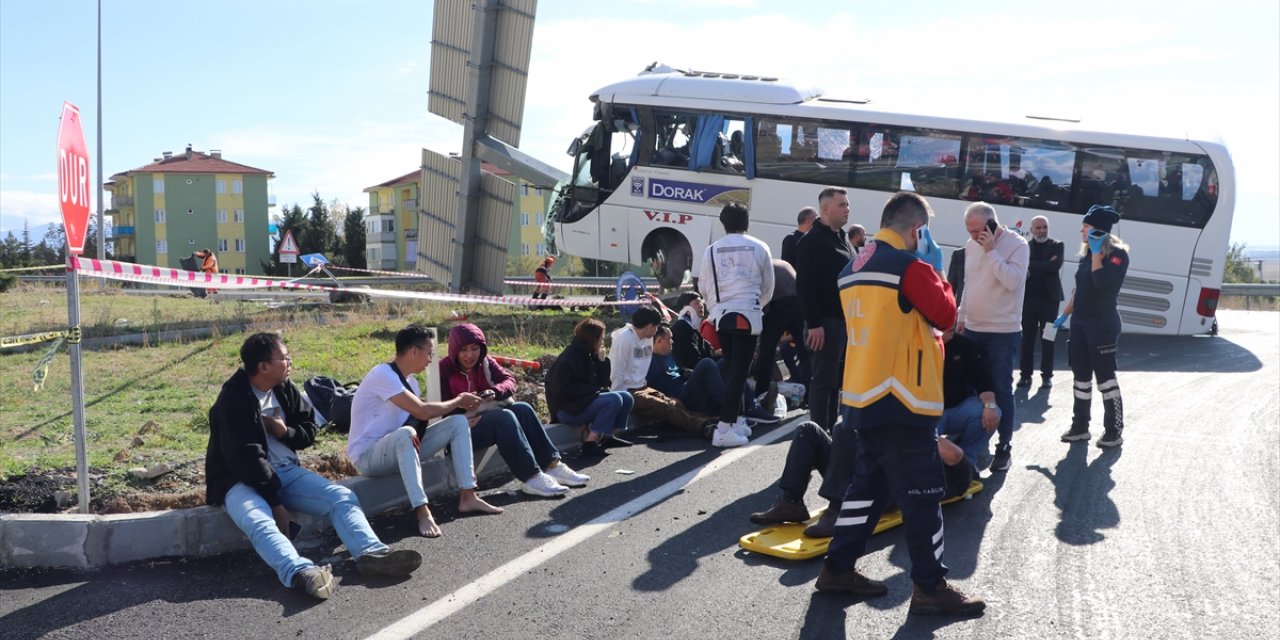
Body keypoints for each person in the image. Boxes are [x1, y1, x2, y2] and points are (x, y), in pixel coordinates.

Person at [815, 192, 985, 617]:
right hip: (903, 396)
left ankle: (837, 568)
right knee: (924, 494)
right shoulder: (910, 267)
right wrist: (937, 269)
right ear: (917, 231)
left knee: (868, 487)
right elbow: (945, 317)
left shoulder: (851, 266)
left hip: (863, 394)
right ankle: (930, 587)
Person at [206, 332, 421, 600]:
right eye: (284, 358)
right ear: (263, 367)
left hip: (283, 471)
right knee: (259, 520)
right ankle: (301, 573)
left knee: (341, 496)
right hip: (239, 479)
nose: (290, 361)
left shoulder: (283, 387)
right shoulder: (233, 400)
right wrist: (276, 503)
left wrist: (284, 432)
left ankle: (371, 554)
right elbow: (246, 458)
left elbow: (308, 431)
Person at [348, 325, 503, 539]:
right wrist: (459, 400)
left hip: (396, 450)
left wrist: (461, 409)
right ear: (414, 351)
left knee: (458, 422)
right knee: (407, 434)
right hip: (368, 457)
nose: (431, 359)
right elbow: (422, 411)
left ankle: (468, 495)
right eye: (429, 353)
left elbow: (421, 419)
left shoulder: (411, 383)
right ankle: (422, 511)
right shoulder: (382, 374)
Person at [439, 323, 590, 497]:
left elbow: (509, 380)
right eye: (463, 350)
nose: (470, 355)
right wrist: (460, 417)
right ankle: (532, 477)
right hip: (459, 429)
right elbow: (440, 406)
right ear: (454, 350)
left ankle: (553, 466)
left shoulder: (485, 362)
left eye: (475, 348)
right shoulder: (443, 369)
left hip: (483, 418)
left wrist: (495, 392)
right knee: (504, 418)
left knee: (523, 409)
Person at [956, 202, 1028, 472]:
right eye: (970, 230)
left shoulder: (1018, 245)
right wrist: (961, 316)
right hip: (973, 328)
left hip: (1002, 331)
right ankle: (976, 444)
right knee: (972, 389)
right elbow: (969, 284)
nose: (974, 236)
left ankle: (1004, 447)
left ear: (992, 224)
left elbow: (1012, 282)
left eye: (978, 230)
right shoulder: (970, 245)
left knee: (1000, 390)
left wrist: (991, 251)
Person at [698, 202, 776, 447]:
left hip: (721, 315)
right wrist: (755, 305)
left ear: (723, 223)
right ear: (747, 222)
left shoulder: (711, 250)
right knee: (740, 371)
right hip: (748, 315)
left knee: (733, 368)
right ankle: (724, 428)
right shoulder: (760, 247)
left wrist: (716, 307)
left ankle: (738, 420)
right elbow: (768, 288)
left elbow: (703, 286)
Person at [1058, 205, 1129, 448]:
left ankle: (1114, 430)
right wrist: (1063, 315)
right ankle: (1080, 427)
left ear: (1099, 231)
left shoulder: (1118, 255)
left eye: (1086, 227)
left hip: (1103, 323)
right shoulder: (1086, 254)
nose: (1081, 231)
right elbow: (1080, 289)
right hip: (1080, 322)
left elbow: (1100, 284)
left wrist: (1098, 255)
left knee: (1106, 380)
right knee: (1080, 378)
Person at [609, 306, 717, 442]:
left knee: (675, 403)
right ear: (649, 326)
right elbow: (616, 371)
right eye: (656, 327)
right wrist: (618, 400)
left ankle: (709, 420)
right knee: (662, 406)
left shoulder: (647, 339)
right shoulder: (624, 339)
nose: (656, 331)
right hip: (626, 391)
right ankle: (702, 426)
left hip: (642, 387)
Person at [795, 187, 854, 432]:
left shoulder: (842, 237)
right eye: (842, 205)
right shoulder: (812, 240)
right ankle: (818, 436)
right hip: (824, 322)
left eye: (847, 204)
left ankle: (830, 432)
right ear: (826, 209)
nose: (847, 209)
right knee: (822, 381)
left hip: (843, 321)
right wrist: (815, 323)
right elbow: (805, 285)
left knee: (833, 382)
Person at [545, 318, 635, 456]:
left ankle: (607, 436)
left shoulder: (590, 354)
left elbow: (604, 384)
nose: (602, 342)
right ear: (592, 339)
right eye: (600, 339)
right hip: (567, 410)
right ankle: (590, 442)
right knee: (614, 399)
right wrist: (593, 391)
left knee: (626, 397)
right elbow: (562, 390)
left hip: (582, 403)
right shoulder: (569, 358)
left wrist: (602, 362)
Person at [1018, 216, 1065, 388]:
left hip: (1050, 301)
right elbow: (1023, 267)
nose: (1041, 230)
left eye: (1044, 227)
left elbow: (1055, 266)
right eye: (1038, 228)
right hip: (1028, 300)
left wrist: (1032, 265)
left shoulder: (1057, 245)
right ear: (1031, 230)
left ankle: (1047, 376)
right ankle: (1025, 376)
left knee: (1049, 338)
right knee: (1027, 339)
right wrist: (1045, 265)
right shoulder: (1024, 246)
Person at [754, 258, 808, 398]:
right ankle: (810, 393)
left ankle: (762, 392)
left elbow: (763, 297)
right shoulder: (783, 264)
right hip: (799, 302)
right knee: (803, 350)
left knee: (766, 350)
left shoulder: (762, 267)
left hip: (779, 302)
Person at [671, 292, 719, 370]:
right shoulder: (681, 327)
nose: (701, 306)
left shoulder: (693, 329)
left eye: (701, 303)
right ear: (686, 308)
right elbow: (693, 359)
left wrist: (716, 353)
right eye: (697, 303)